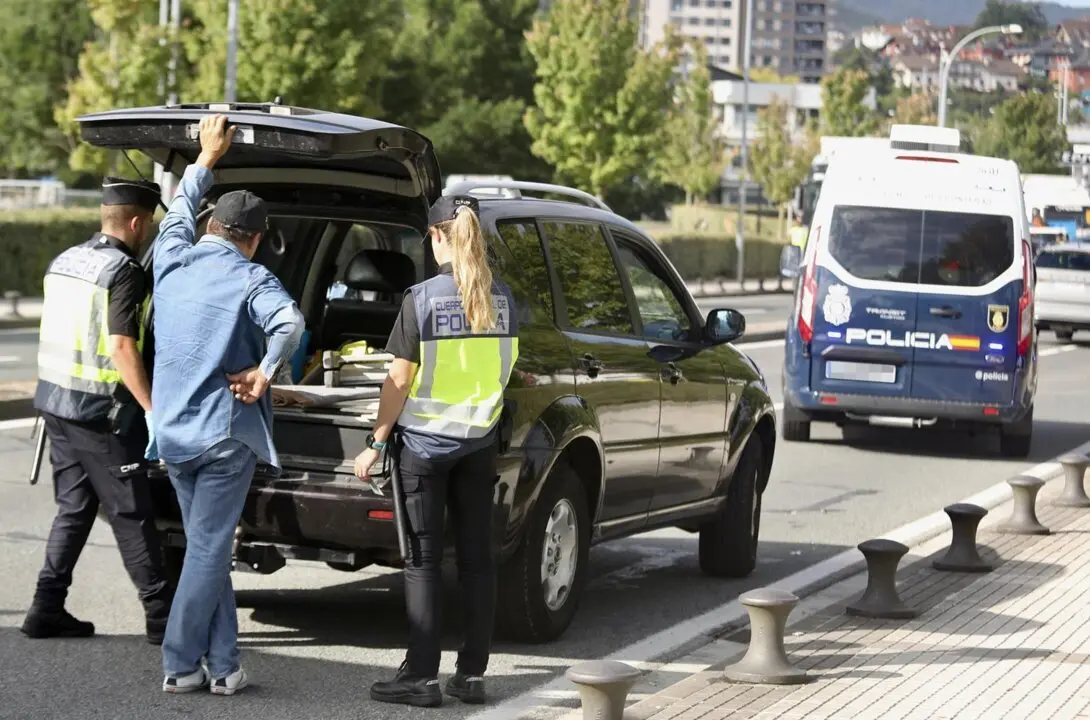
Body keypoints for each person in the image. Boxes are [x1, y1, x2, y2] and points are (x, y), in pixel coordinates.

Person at [151, 114, 305, 696]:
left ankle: (223, 666)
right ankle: (178, 661)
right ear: (255, 238)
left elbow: (177, 209)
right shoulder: (251, 279)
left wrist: (206, 156)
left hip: (172, 435)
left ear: (211, 225)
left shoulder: (171, 258)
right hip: (223, 438)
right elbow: (290, 323)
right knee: (210, 551)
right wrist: (264, 374)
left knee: (205, 550)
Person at [355, 195, 519, 708]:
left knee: (423, 562)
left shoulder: (422, 299)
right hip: (478, 444)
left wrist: (376, 440)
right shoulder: (505, 300)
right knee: (477, 561)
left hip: (425, 448)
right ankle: (471, 675)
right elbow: (505, 368)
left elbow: (398, 379)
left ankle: (421, 677)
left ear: (435, 236)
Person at [23, 176, 173, 645]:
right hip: (102, 416)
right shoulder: (123, 271)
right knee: (132, 514)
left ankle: (45, 609)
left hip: (57, 405)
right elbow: (123, 347)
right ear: (135, 221)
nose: (146, 231)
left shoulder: (65, 259)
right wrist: (151, 409)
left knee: (75, 508)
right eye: (147, 224)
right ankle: (163, 621)